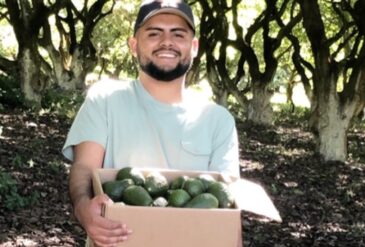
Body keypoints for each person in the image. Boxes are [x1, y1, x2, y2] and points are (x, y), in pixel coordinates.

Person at [62, 0, 240, 246]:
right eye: (154, 33)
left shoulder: (219, 120)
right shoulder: (104, 99)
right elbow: (84, 166)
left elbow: (227, 203)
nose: (167, 41)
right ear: (134, 45)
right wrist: (83, 208)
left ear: (194, 46)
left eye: (178, 34)